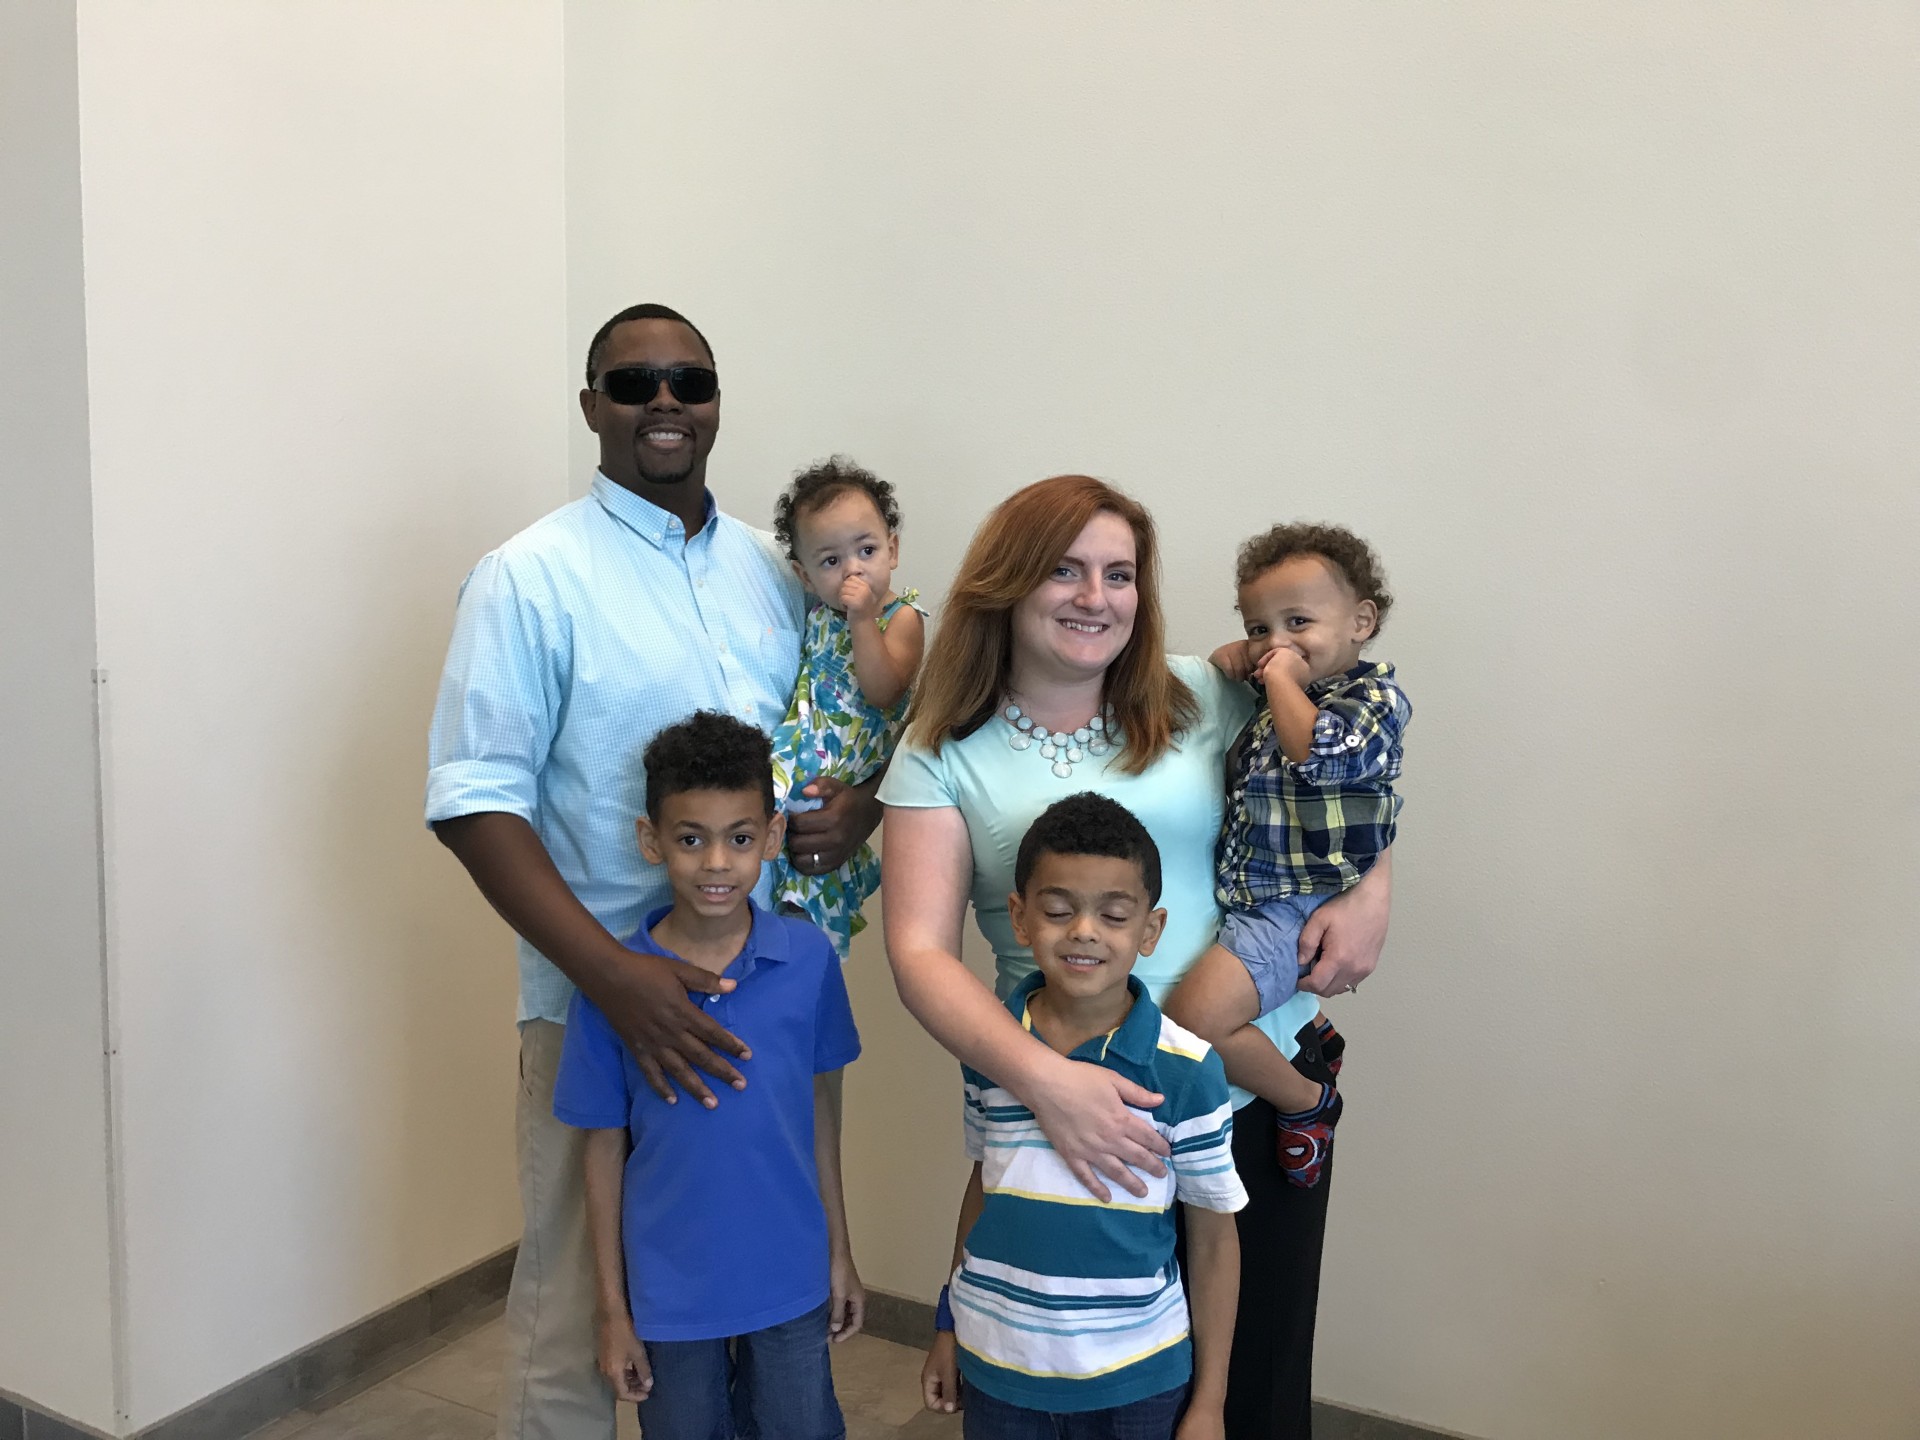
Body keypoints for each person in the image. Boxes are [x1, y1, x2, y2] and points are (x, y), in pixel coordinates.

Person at [425, 303, 882, 1440]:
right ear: (593, 406)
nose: (665, 402)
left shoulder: (778, 571)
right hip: (602, 1009)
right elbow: (475, 801)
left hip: (766, 998)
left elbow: (847, 715)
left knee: (763, 1308)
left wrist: (861, 808)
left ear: (717, 402)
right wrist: (612, 980)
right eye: (634, 384)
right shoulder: (530, 578)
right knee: (581, 1322)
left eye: (689, 380)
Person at [879, 475, 1392, 1439]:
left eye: (1119, 574)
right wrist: (1049, 1084)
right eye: (1064, 570)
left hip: (1247, 1091)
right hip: (1063, 1105)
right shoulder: (941, 750)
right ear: (1008, 581)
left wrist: (1375, 889)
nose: (1095, 596)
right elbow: (917, 951)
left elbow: (1347, 776)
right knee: (1080, 1392)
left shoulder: (1201, 692)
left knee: (1251, 1389)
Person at [554, 711, 863, 1440]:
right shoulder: (613, 989)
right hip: (669, 1295)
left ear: (774, 837)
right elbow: (602, 1149)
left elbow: (819, 1116)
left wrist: (840, 1253)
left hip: (790, 1277)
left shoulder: (808, 960)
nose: (717, 863)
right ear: (651, 840)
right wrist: (613, 1312)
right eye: (691, 839)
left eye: (740, 839)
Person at [919, 794, 1244, 1440]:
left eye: (1114, 914)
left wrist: (1210, 1403)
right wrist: (948, 1325)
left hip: (1138, 1381)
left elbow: (1213, 1242)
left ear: (1150, 929)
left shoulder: (1186, 1071)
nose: (1085, 931)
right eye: (1059, 910)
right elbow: (984, 1186)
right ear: (1020, 917)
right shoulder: (989, 1047)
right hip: (996, 1369)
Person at [1164, 524, 1411, 1188]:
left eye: (1297, 621)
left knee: (1193, 1023)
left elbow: (1319, 757)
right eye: (1259, 627)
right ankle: (1314, 1029)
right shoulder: (1283, 693)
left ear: (1362, 622)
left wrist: (1275, 677)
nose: (1276, 642)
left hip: (1293, 905)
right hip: (1251, 895)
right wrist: (1236, 661)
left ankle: (1307, 1101)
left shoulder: (1372, 700)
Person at [768, 456, 929, 957]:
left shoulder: (902, 618)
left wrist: (863, 620)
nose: (853, 569)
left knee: (809, 846)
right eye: (831, 561)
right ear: (805, 576)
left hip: (847, 758)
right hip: (804, 742)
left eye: (867, 550)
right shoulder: (819, 612)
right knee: (764, 828)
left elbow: (884, 691)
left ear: (892, 550)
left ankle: (814, 941)